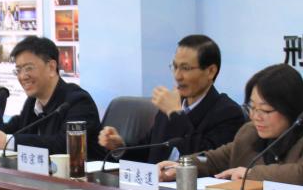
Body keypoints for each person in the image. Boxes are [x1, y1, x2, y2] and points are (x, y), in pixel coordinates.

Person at [160, 63, 303, 190]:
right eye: (252, 107)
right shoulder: (250, 132)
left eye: (265, 110)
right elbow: (213, 159)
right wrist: (182, 166)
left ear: (290, 109)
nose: (255, 116)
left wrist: (250, 174)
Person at [97, 34, 245, 164]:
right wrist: (120, 147)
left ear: (210, 71)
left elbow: (204, 160)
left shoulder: (228, 112)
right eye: (175, 67)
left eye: (185, 68)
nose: (177, 76)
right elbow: (148, 153)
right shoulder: (170, 106)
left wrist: (175, 114)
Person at [0, 36, 99, 155]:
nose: (22, 76)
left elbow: (64, 145)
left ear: (51, 67)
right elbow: (15, 126)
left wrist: (8, 141)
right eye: (18, 70)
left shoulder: (78, 101)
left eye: (29, 68)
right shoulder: (33, 101)